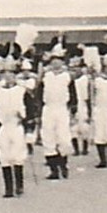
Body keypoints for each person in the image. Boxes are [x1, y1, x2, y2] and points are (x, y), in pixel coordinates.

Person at [0, 58, 30, 198]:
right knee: (4, 156)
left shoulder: (22, 91)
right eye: (5, 73)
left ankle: (19, 185)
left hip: (16, 125)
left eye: (11, 73)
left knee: (18, 155)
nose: (8, 77)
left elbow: (30, 110)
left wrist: (28, 126)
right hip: (4, 127)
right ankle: (8, 188)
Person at [37, 48, 76, 180]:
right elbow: (39, 94)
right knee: (48, 137)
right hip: (48, 109)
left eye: (58, 61)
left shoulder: (67, 77)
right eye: (53, 61)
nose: (55, 64)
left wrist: (73, 110)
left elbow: (73, 95)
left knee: (63, 138)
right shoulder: (46, 76)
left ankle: (63, 165)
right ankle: (53, 169)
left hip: (61, 108)